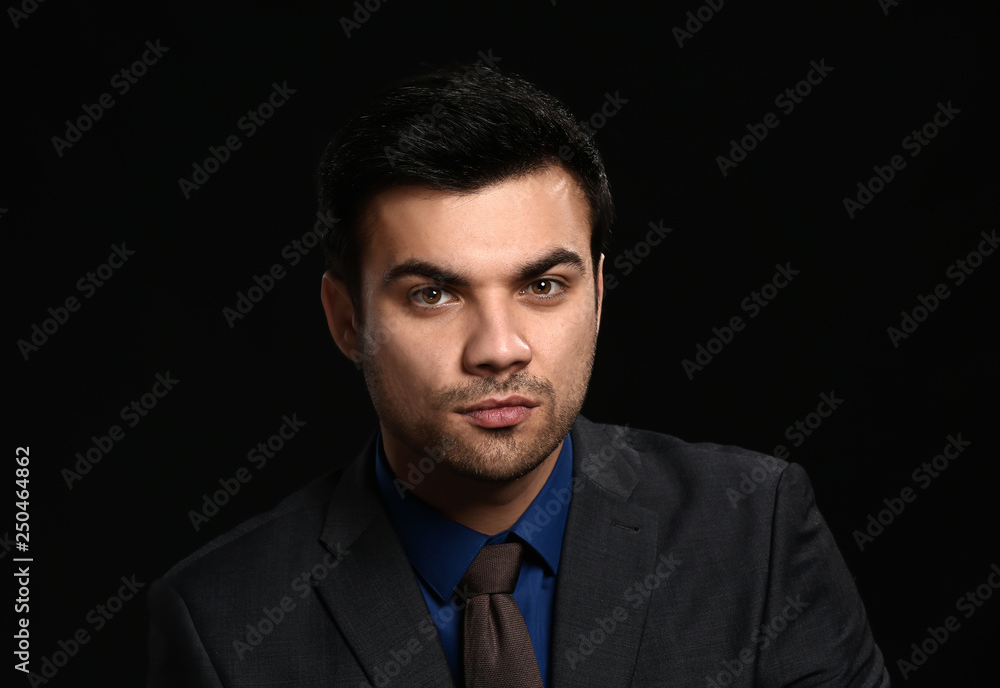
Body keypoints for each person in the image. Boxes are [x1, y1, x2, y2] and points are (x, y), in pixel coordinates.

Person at [147, 63, 890, 687]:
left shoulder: (754, 533)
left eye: (542, 286)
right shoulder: (221, 622)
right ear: (345, 319)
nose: (500, 348)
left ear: (598, 292)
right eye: (432, 294)